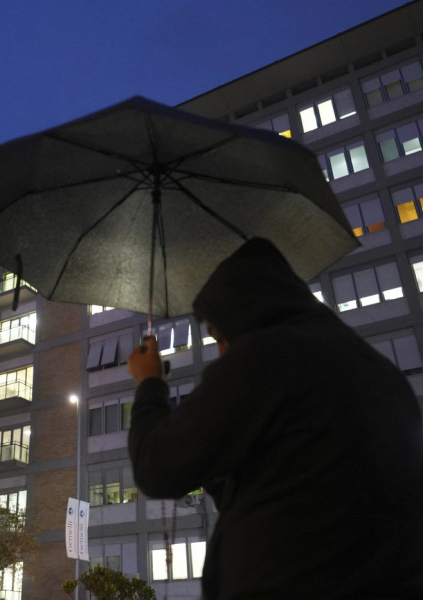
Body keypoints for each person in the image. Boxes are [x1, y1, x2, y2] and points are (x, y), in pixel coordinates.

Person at [127, 237, 423, 599]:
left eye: (220, 336)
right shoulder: (376, 370)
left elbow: (157, 468)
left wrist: (149, 383)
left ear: (245, 315)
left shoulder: (264, 358)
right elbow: (282, 481)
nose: (222, 352)